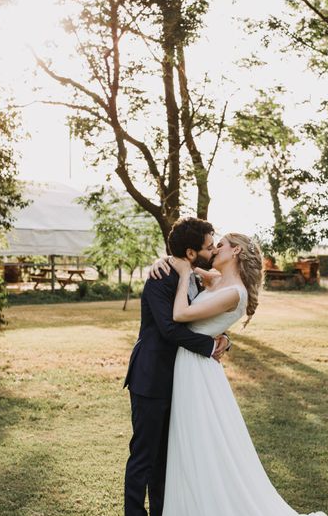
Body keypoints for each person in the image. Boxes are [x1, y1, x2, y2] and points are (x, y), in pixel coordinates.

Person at [150, 233, 326, 516]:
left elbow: (181, 315)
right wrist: (163, 261)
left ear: (235, 252)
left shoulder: (235, 293)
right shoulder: (218, 280)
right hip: (190, 362)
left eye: (220, 245)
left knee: (200, 440)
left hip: (198, 369)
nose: (214, 249)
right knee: (190, 441)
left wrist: (183, 276)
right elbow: (184, 262)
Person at [123, 217, 230, 516]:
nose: (213, 250)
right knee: (144, 456)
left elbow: (203, 321)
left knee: (166, 458)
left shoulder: (197, 277)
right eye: (209, 247)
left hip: (182, 381)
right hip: (152, 377)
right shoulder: (160, 277)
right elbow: (169, 329)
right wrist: (209, 348)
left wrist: (222, 339)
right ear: (192, 252)